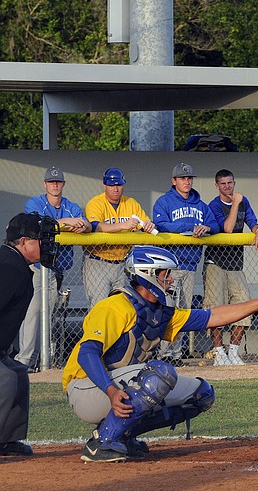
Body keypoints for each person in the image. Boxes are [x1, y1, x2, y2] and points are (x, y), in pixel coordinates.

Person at [62, 245, 258, 463]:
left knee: (201, 394)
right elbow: (87, 353)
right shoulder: (114, 306)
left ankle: (123, 434)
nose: (170, 279)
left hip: (113, 387)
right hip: (85, 388)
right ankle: (101, 442)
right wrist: (111, 392)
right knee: (160, 374)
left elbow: (213, 316)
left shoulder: (159, 312)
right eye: (165, 274)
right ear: (148, 274)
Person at [19, 167, 91, 372]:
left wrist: (81, 226)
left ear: (63, 184)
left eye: (58, 182)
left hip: (57, 270)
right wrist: (67, 223)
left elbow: (85, 224)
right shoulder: (35, 203)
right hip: (37, 268)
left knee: (47, 315)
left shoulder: (70, 206)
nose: (55, 185)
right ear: (45, 185)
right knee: (33, 313)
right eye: (51, 182)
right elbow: (37, 225)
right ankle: (25, 361)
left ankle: (41, 360)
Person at [1, 212, 59, 457]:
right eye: (41, 239)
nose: (47, 244)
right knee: (6, 379)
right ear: (23, 242)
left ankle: (6, 440)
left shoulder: (15, 263)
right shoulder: (8, 267)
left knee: (18, 372)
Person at [152, 163, 220, 366]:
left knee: (183, 311)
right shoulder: (164, 201)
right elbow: (161, 224)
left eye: (189, 178)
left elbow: (215, 225)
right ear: (174, 181)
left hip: (190, 266)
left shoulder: (200, 205)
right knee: (167, 309)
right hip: (169, 267)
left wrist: (206, 227)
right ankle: (164, 353)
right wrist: (191, 226)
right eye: (182, 178)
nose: (187, 181)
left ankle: (176, 354)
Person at [205, 169, 258, 366]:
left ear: (234, 183)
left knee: (244, 305)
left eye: (230, 183)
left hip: (236, 264)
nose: (227, 187)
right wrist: (235, 203)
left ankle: (233, 351)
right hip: (216, 263)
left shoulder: (244, 202)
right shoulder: (213, 205)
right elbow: (228, 228)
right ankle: (219, 352)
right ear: (217, 186)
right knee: (216, 308)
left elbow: (253, 223)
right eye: (223, 184)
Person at [84, 168, 158, 308]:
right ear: (104, 185)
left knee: (122, 307)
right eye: (112, 185)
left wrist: (148, 225)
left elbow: (145, 223)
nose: (116, 188)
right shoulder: (95, 203)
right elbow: (95, 226)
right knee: (99, 306)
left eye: (119, 184)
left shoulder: (131, 203)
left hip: (122, 263)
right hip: (98, 261)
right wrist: (124, 225)